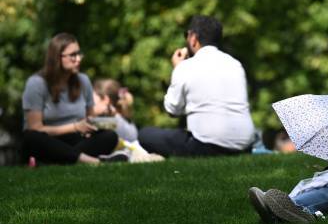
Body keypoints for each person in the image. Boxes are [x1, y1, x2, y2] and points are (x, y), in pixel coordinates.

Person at [139, 15, 256, 157]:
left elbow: (172, 110)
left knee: (145, 134)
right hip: (245, 147)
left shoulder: (185, 67)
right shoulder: (236, 64)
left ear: (193, 38)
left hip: (206, 147)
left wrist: (177, 68)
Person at [21, 33, 120, 164]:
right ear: (57, 57)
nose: (78, 59)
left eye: (79, 54)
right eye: (73, 55)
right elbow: (35, 128)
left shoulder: (83, 81)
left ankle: (61, 160)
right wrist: (75, 127)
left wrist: (103, 122)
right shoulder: (36, 84)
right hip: (47, 141)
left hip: (74, 140)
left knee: (110, 136)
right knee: (31, 137)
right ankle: (91, 161)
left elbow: (90, 120)